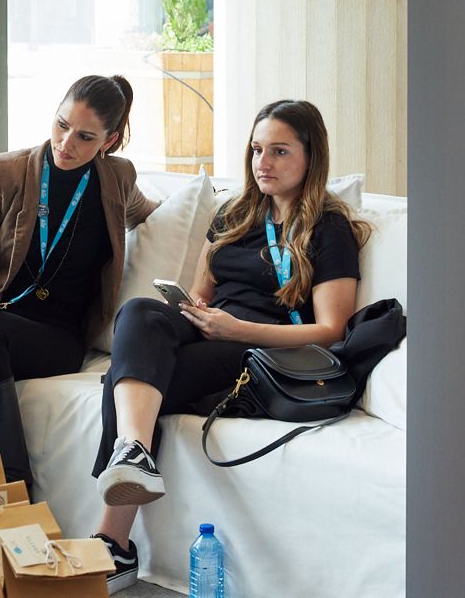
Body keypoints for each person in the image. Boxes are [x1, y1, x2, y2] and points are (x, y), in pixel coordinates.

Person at [87, 99, 369, 592]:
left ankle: (115, 541)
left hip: (263, 351)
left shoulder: (328, 228)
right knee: (139, 312)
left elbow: (331, 330)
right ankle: (132, 453)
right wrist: (194, 310)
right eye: (257, 150)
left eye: (279, 151)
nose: (263, 163)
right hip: (213, 331)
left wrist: (237, 329)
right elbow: (202, 293)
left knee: (124, 379)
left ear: (311, 156)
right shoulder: (233, 215)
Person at [0, 75, 160, 489]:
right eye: (61, 125)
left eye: (84, 137)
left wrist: (222, 216)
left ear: (109, 140)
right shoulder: (3, 172)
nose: (65, 143)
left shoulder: (117, 177)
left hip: (57, 336)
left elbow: (151, 213)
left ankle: (11, 484)